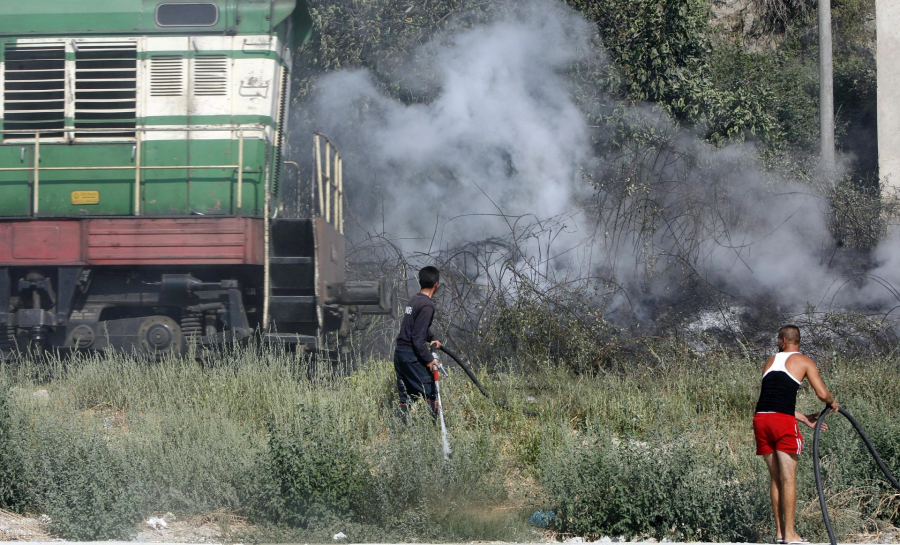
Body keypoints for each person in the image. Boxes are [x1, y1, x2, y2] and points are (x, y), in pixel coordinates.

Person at [754, 325, 839, 545]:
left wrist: (803, 418)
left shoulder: (771, 361)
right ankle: (791, 535)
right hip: (782, 423)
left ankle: (781, 533)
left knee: (775, 479)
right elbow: (822, 394)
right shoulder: (804, 361)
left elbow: (774, 401)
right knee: (788, 477)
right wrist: (832, 402)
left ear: (783, 341)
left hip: (761, 419)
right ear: (793, 341)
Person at [394, 266, 442, 421]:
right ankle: (432, 429)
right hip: (410, 354)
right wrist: (429, 360)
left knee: (407, 394)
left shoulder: (415, 300)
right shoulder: (427, 305)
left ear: (420, 282)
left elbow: (418, 328)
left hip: (400, 354)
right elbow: (417, 338)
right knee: (430, 390)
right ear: (436, 284)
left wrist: (433, 337)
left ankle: (400, 432)